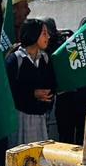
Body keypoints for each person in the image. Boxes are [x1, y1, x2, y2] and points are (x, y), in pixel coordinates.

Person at [6, 19, 56, 149]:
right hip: (20, 118)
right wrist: (32, 93)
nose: (48, 37)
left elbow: (52, 83)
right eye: (44, 33)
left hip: (40, 118)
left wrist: (47, 96)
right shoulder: (15, 60)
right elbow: (8, 91)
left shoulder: (45, 58)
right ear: (34, 34)